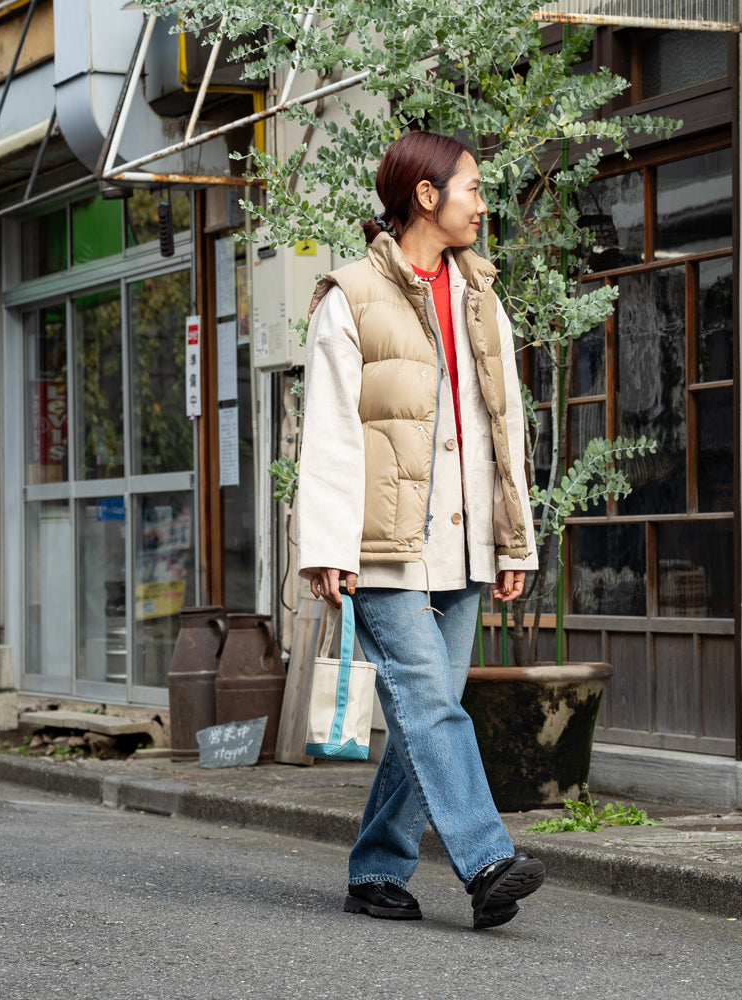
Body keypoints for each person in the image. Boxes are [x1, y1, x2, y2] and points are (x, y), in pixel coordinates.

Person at [297, 130, 543, 930]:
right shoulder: (350, 297)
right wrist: (327, 547)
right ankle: (487, 860)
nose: (484, 204)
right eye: (473, 188)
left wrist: (513, 540)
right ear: (427, 197)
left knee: (422, 714)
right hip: (381, 546)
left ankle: (377, 869)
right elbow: (330, 430)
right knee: (431, 704)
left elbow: (505, 428)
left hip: (464, 543)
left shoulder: (482, 297)